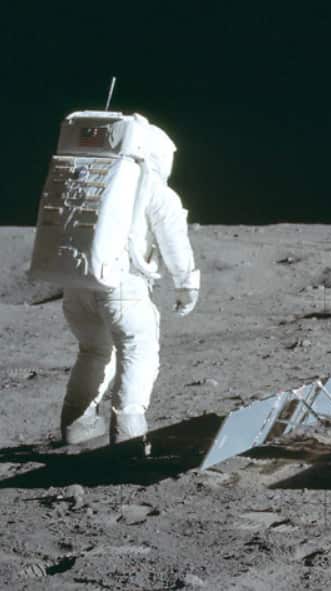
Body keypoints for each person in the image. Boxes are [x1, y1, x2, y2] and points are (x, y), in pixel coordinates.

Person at [59, 121, 200, 447]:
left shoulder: (87, 180)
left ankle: (76, 426)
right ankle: (128, 435)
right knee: (138, 350)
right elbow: (175, 242)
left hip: (78, 287)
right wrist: (186, 285)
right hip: (122, 288)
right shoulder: (154, 189)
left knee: (94, 352)